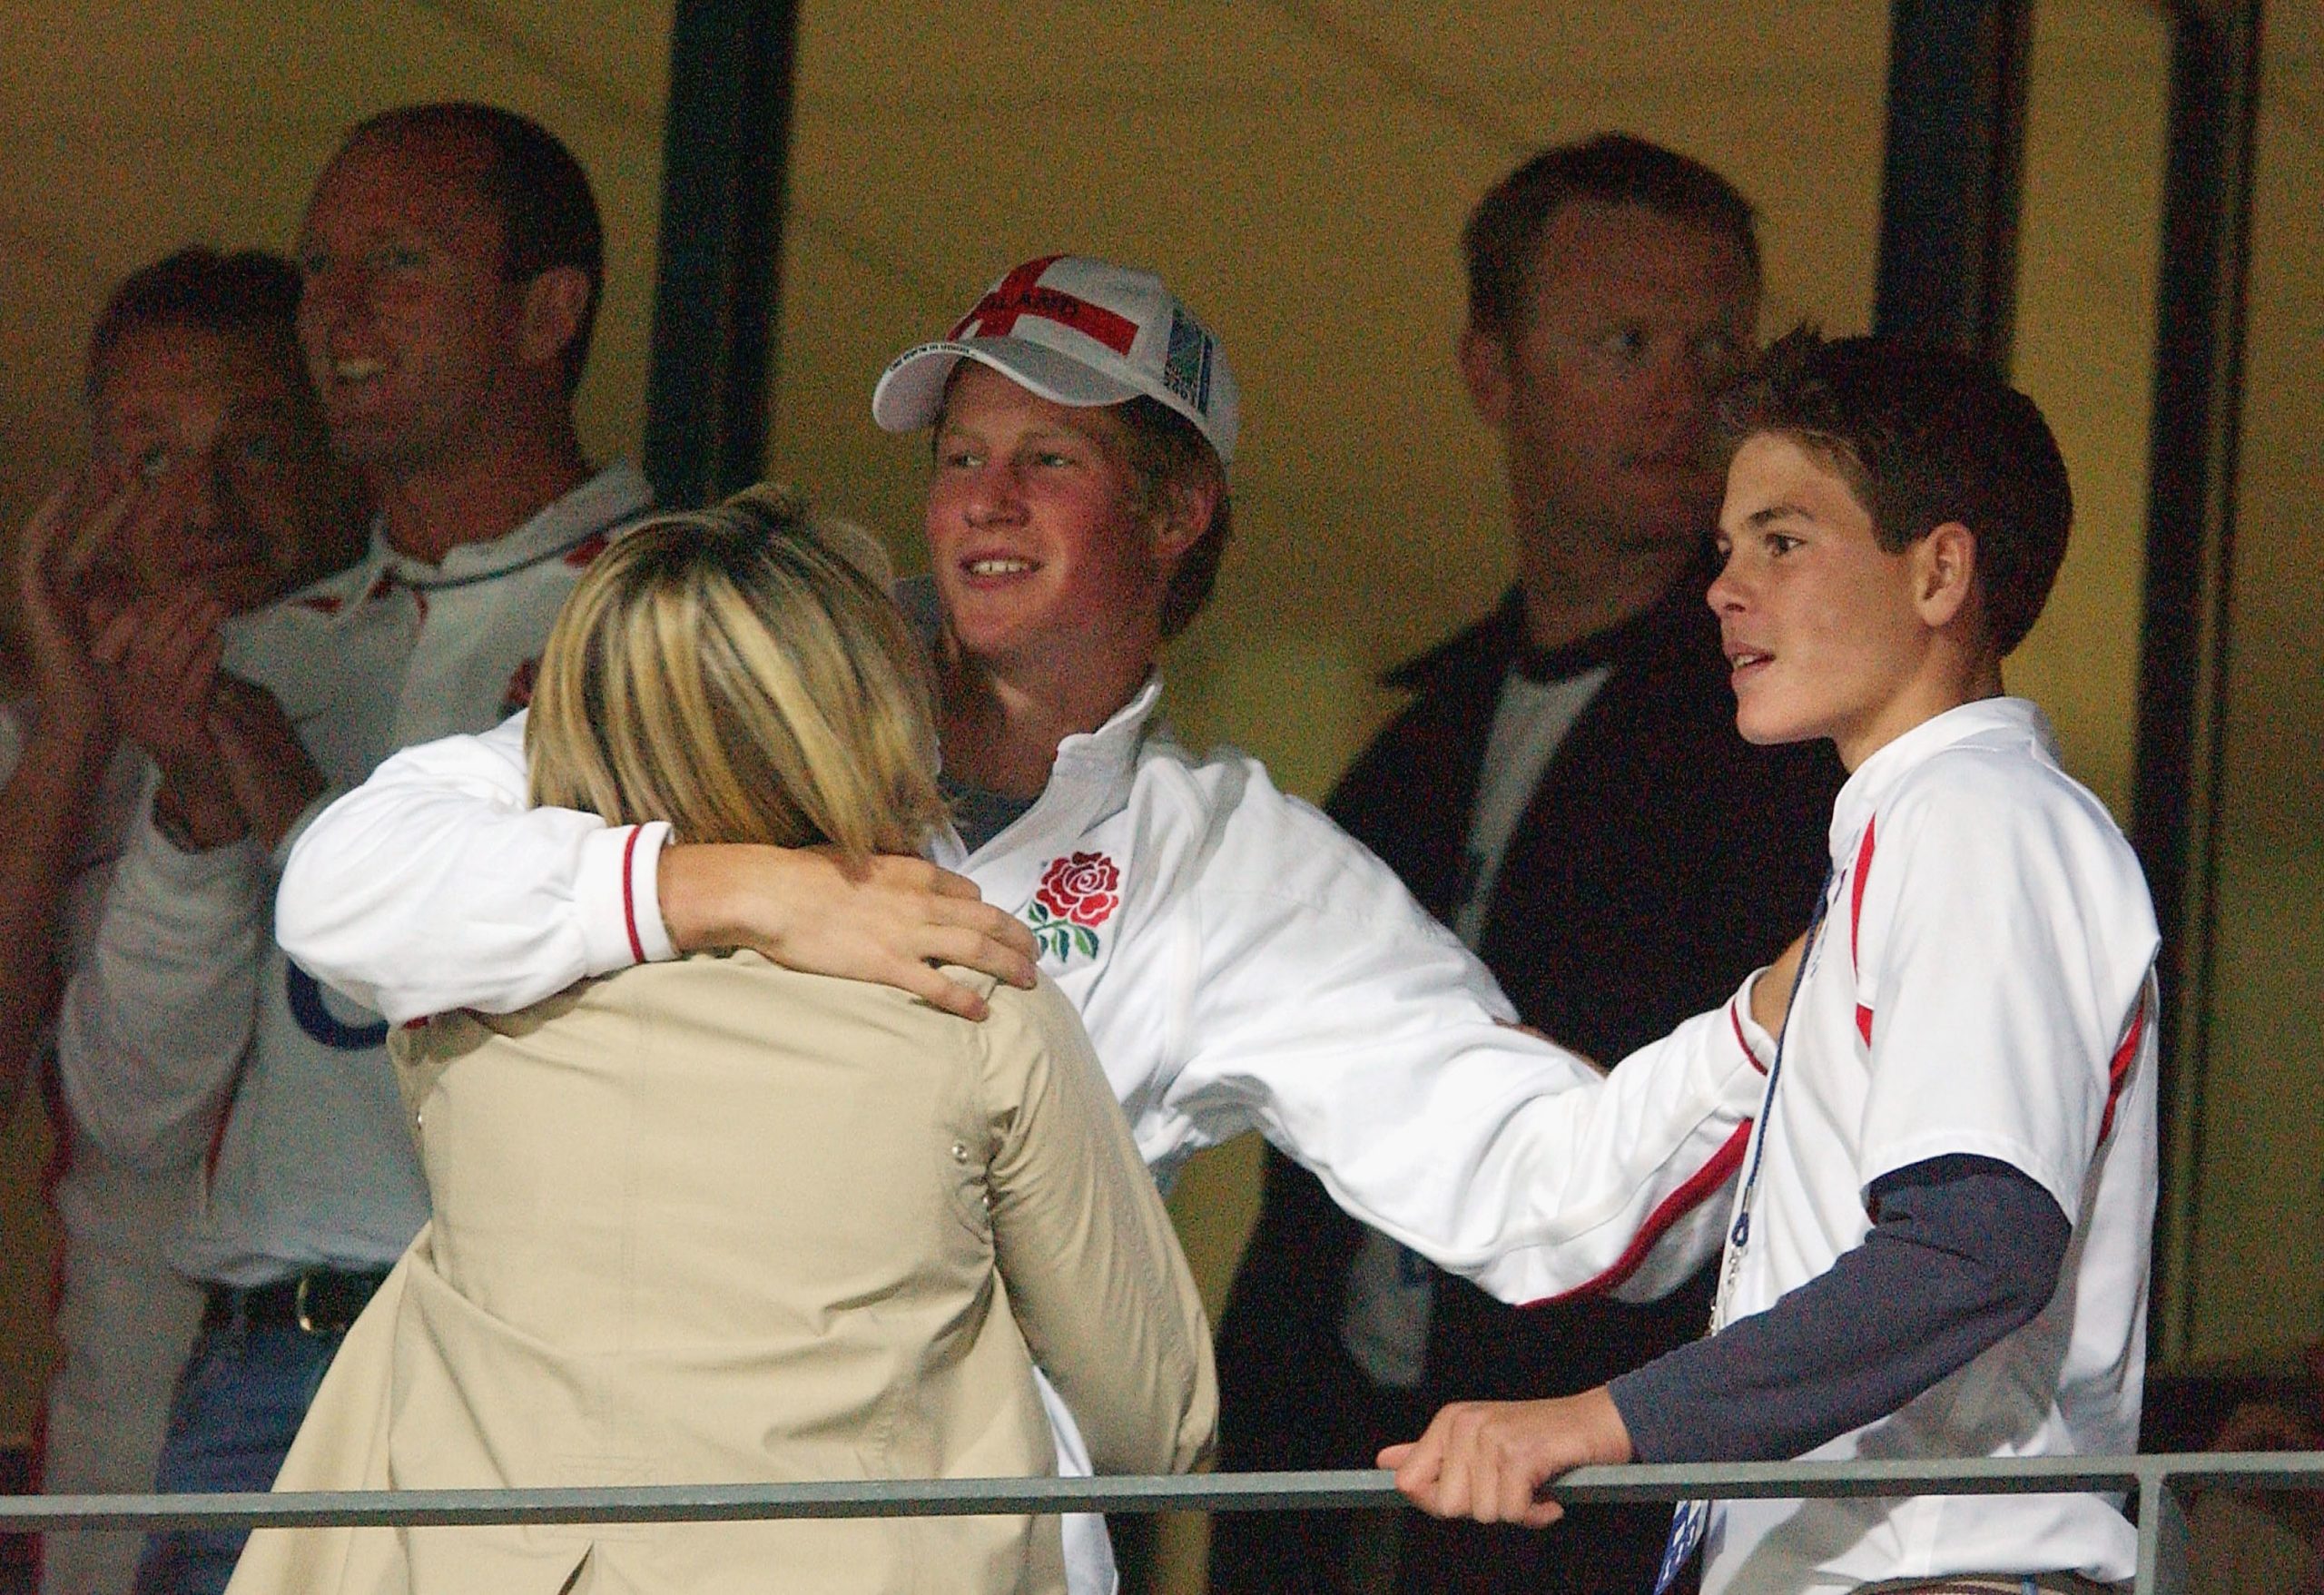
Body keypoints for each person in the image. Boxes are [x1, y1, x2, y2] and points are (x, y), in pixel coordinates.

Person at [276, 253, 1797, 1593]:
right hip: (576, 1509)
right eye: (958, 455)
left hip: (927, 1537)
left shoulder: (1229, 863)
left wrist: (1772, 1028)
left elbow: (1558, 1190)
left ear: (1179, 508)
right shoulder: (765, 691)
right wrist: (743, 886)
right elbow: (345, 886)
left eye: (1047, 458)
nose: (983, 501)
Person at [224, 488, 1215, 1595]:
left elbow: (341, 888)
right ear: (874, 718)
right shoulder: (973, 1002)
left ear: (570, 720)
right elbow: (1157, 1420)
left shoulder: (464, 999)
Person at [1383, 331, 2160, 1595]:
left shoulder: (1979, 820)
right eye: (1727, 546)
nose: (1723, 587)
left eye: (1783, 541)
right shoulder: (1913, 839)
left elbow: (1973, 1246)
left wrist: (1593, 1420)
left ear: (1939, 571)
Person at [1213, 133, 1839, 1595]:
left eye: (1720, 348)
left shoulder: (1799, 745)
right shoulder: (1412, 754)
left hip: (1611, 1501)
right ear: (1489, 371)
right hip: (1341, 1484)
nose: (1683, 393)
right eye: (1625, 343)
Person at [54, 103, 652, 1595]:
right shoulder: (265, 650)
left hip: (530, 1370)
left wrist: (275, 782)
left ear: (547, 312)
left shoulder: (674, 624)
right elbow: (130, 1110)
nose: (339, 313)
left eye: (398, 261)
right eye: (323, 269)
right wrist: (194, 816)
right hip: (255, 1377)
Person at [0, 247, 367, 1595]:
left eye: (256, 444)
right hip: (123, 1456)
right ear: (90, 488)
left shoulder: (437, 700)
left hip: (375, 1433)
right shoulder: (40, 743)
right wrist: (74, 733)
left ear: (342, 440)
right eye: (152, 460)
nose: (204, 501)